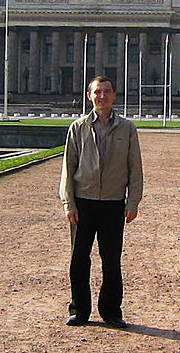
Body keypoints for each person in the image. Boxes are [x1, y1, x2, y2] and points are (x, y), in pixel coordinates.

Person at [59, 75, 143, 329]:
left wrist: (133, 202)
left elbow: (135, 168)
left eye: (107, 92)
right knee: (79, 259)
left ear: (114, 95)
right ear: (90, 96)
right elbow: (68, 167)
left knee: (111, 259)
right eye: (98, 92)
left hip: (113, 202)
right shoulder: (78, 126)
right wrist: (68, 203)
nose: (102, 96)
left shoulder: (127, 128)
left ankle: (111, 311)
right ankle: (79, 310)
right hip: (83, 202)